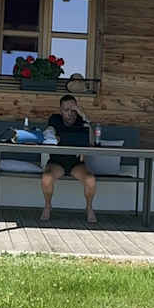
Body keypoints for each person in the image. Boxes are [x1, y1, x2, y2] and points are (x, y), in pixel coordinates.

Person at [40, 95, 101, 224]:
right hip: (57, 162)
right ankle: (47, 206)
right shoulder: (55, 119)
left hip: (76, 163)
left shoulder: (81, 121)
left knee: (90, 179)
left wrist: (84, 116)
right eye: (66, 110)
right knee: (46, 178)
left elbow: (91, 141)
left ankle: (89, 208)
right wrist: (52, 135)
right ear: (61, 111)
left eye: (73, 109)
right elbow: (49, 133)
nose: (70, 113)